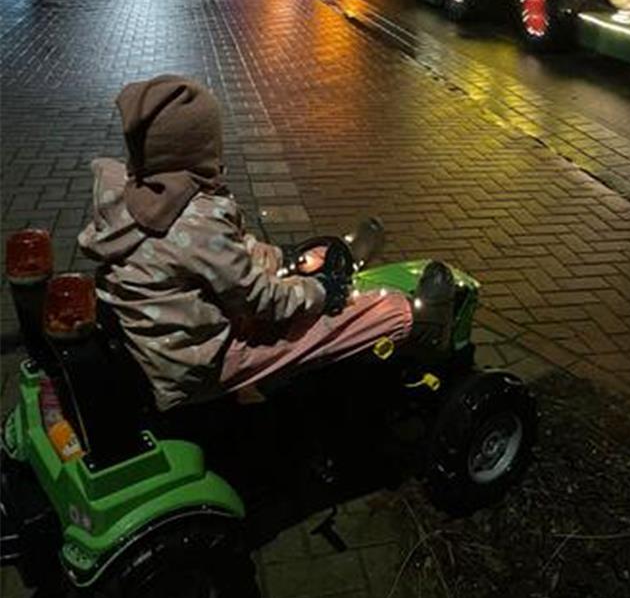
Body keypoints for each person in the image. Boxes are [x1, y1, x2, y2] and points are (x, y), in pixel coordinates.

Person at [77, 76, 455, 412]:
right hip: (198, 365)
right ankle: (415, 318)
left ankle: (317, 257)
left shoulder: (134, 198)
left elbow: (221, 259)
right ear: (195, 149)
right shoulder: (197, 220)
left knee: (286, 269)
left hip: (165, 344)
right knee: (328, 323)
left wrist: (282, 260)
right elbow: (263, 301)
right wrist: (323, 293)